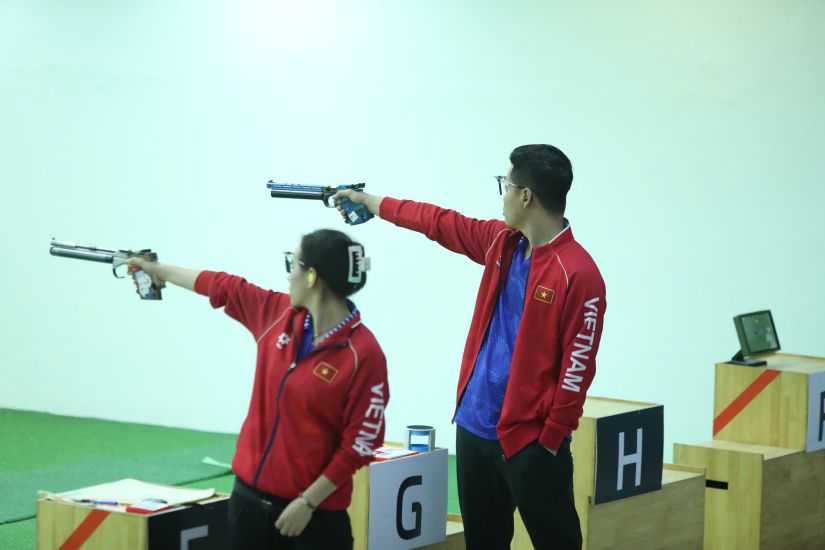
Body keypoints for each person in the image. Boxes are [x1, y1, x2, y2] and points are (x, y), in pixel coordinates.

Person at [335, 144, 605, 550]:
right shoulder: (502, 243)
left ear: (526, 195)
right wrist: (370, 202)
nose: (503, 195)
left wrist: (549, 439)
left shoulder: (580, 273)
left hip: (530, 443)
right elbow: (437, 221)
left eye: (506, 185)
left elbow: (578, 367)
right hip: (475, 428)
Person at [128, 229, 388, 550]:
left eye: (293, 265)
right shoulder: (275, 314)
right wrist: (156, 270)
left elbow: (360, 444)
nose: (288, 276)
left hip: (315, 519)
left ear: (311, 278)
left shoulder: (363, 353)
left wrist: (307, 503)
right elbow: (222, 285)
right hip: (248, 504)